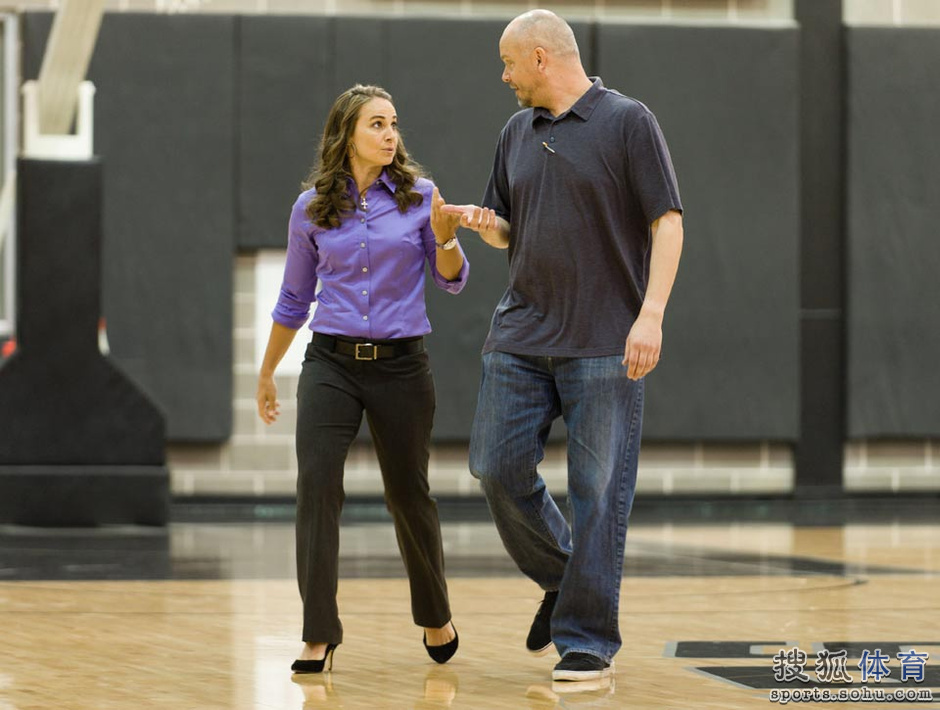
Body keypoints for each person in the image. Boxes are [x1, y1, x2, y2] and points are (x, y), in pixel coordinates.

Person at [442, 10, 684, 682]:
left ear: (541, 58)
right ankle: (566, 579)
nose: (503, 75)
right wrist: (487, 226)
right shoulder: (515, 132)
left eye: (508, 62)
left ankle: (585, 640)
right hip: (519, 336)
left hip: (606, 342)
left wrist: (651, 314)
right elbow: (510, 231)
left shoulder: (629, 121)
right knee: (495, 466)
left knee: (598, 492)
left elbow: (668, 223)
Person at [256, 84, 468, 673]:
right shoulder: (311, 208)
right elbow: (294, 298)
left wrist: (446, 233)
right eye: (377, 124)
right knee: (317, 488)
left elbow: (452, 279)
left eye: (394, 123)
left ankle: (435, 614)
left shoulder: (422, 197)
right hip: (331, 364)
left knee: (409, 494)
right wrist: (267, 371)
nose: (390, 134)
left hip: (402, 366)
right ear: (348, 133)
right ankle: (319, 635)